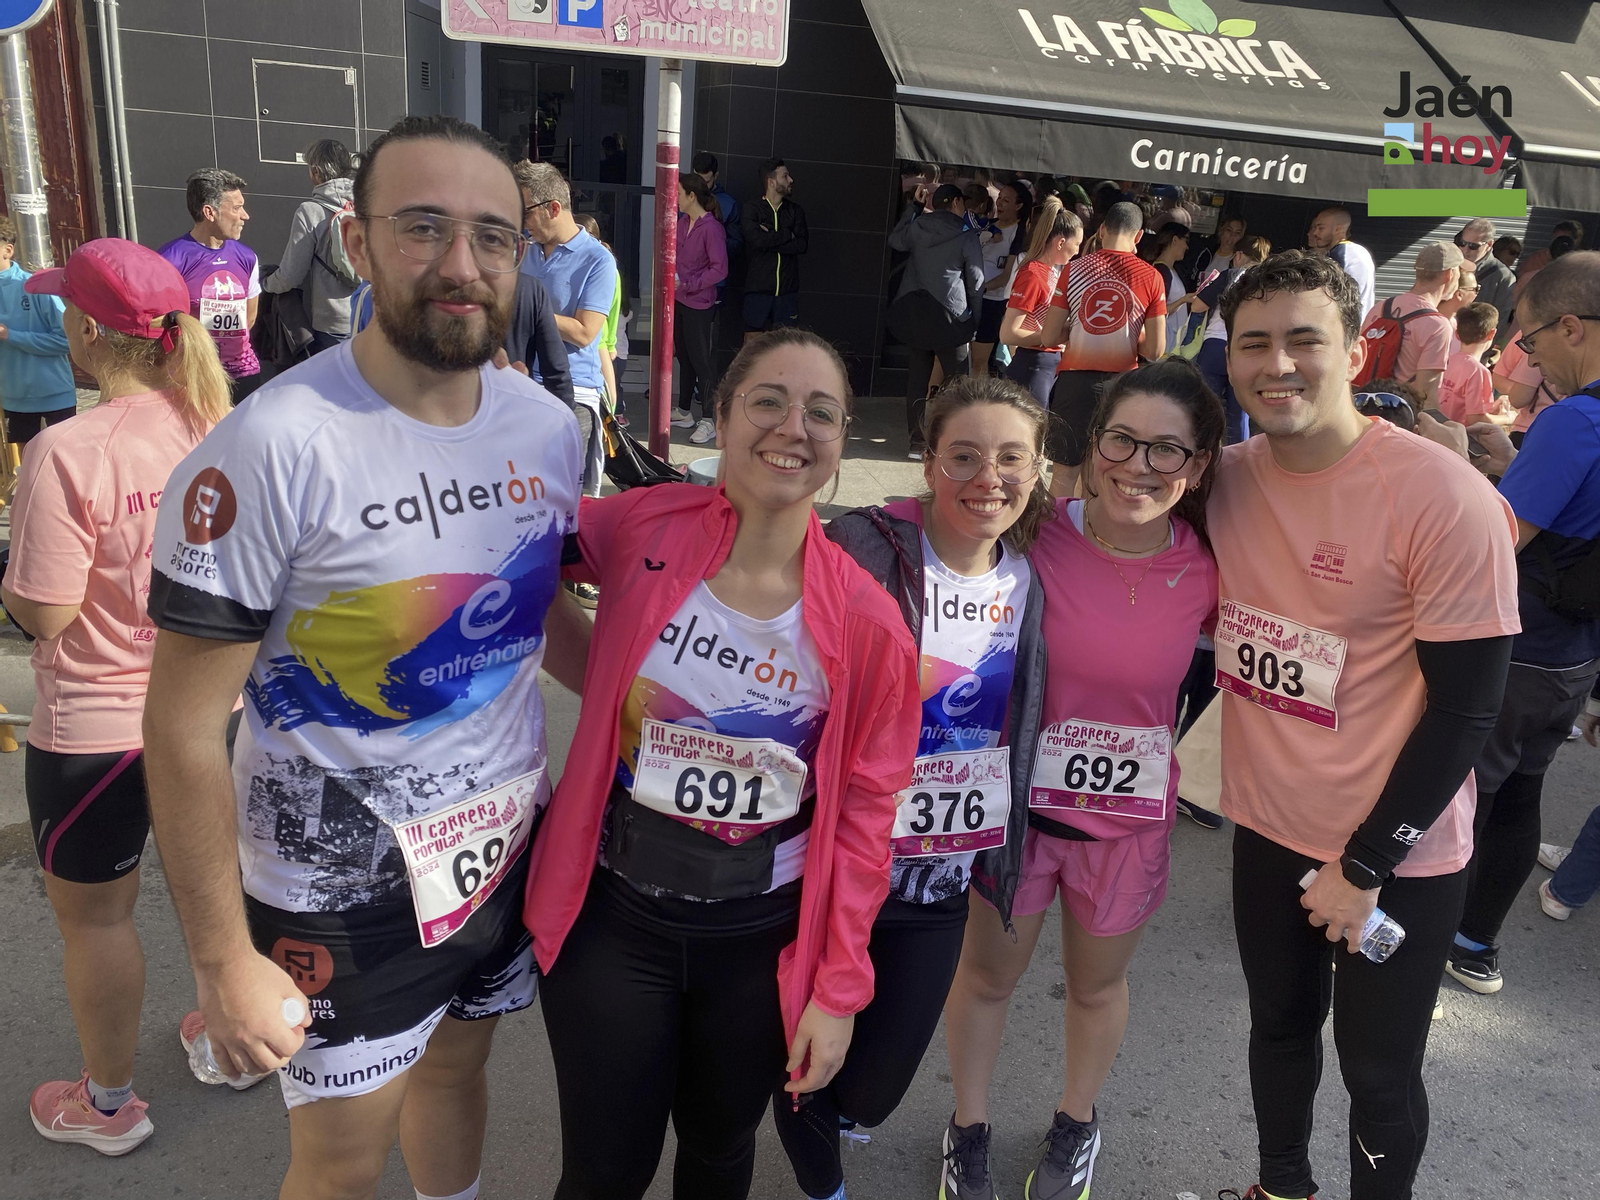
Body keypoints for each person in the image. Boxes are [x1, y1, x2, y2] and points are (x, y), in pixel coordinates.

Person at [139, 115, 590, 1200]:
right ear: (358, 238)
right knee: (339, 1163)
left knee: (457, 1069)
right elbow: (182, 727)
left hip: (496, 851)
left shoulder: (544, 425)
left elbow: (540, 622)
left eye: (491, 235)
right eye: (422, 226)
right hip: (334, 886)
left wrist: (687, 693)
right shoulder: (273, 441)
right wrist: (221, 963)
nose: (460, 263)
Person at [524, 328, 921, 1200]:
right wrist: (596, 679)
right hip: (613, 917)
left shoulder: (867, 622)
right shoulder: (645, 524)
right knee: (603, 1171)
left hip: (758, 937)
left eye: (822, 411)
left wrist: (840, 991)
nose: (793, 425)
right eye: (769, 400)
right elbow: (516, 550)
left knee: (717, 1151)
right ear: (729, 413)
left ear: (843, 438)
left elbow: (867, 818)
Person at [1209, 251, 1520, 1200]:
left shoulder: (1440, 496)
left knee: (1378, 1075)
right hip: (1266, 824)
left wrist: (1363, 867)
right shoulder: (1220, 479)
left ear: (1355, 351)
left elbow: (1468, 709)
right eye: (1255, 343)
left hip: (1397, 853)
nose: (1279, 364)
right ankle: (1281, 1188)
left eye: (1305, 339)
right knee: (1278, 1030)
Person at [938, 360, 1221, 1200]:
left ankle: (1076, 1121)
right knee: (987, 977)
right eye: (1123, 441)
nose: (1140, 465)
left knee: (1096, 987)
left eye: (1167, 452)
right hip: (1015, 818)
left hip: (1126, 830)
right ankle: (969, 1126)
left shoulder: (1208, 564)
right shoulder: (1028, 532)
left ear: (1198, 468)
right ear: (1092, 449)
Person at [774, 375, 1049, 1200]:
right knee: (808, 1068)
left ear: (1039, 472)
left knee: (874, 1089)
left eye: (1010, 458)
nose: (986, 477)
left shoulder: (1028, 578)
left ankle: (824, 1121)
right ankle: (822, 1184)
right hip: (834, 860)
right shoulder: (860, 547)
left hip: (939, 873)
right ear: (928, 462)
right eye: (962, 456)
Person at [12, 239, 230, 1157]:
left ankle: (105, 1106)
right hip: (216, 714)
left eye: (67, 308)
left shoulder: (64, 449)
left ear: (92, 334)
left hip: (94, 731)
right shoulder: (219, 426)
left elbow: (48, 612)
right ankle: (232, 1037)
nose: (59, 319)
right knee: (213, 891)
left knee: (98, 919)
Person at [1446, 252, 1600, 995]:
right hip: (1575, 659)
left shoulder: (1577, 419)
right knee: (1522, 793)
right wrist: (1514, 458)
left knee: (1457, 795)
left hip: (1519, 645)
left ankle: (1412, 935)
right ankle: (1476, 945)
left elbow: (1502, 538)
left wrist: (1452, 465)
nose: (1529, 360)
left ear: (1572, 326)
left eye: (1532, 343)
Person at [1036, 200, 1166, 497]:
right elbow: (1156, 351)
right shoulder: (1152, 277)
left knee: (1064, 474)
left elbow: (1048, 336)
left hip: (1074, 383)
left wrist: (1082, 328)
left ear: (1103, 229)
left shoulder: (1073, 269)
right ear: (1138, 236)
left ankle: (1056, 538)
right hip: (1121, 387)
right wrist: (1130, 333)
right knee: (1104, 472)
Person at [519, 160, 616, 498]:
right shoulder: (522, 251)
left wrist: (528, 308)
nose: (523, 222)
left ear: (553, 208)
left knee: (564, 503)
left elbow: (585, 332)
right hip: (519, 388)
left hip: (571, 396)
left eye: (526, 212)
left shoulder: (597, 260)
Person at [888, 183, 983, 458]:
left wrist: (914, 208)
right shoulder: (967, 235)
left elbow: (895, 240)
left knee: (917, 380)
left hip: (917, 312)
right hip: (951, 315)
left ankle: (917, 444)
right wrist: (974, 320)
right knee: (958, 384)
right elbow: (976, 282)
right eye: (962, 202)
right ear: (954, 202)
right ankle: (954, 444)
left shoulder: (917, 227)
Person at [157, 168, 262, 392]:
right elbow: (158, 323)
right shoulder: (170, 260)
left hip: (243, 375)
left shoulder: (247, 257)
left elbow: (249, 318)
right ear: (209, 212)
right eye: (237, 208)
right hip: (193, 378)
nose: (245, 216)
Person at [263, 139, 359, 354]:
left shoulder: (311, 211)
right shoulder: (367, 205)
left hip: (333, 324)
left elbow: (290, 276)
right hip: (368, 316)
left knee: (331, 385)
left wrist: (266, 284)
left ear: (316, 171)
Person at [0, 216, 77, 447]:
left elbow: (66, 342)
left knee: (65, 465)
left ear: (8, 250)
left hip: (55, 395)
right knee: (25, 472)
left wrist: (9, 335)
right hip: (13, 399)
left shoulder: (36, 286)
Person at [999, 198, 1081, 411]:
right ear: (1061, 243)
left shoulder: (1050, 272)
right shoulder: (1033, 274)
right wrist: (1055, 334)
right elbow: (1008, 334)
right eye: (1077, 244)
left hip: (1045, 363)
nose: (1077, 251)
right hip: (1034, 365)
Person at [1356, 241, 1460, 408]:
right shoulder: (1437, 325)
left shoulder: (1380, 308)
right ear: (1450, 274)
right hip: (1397, 414)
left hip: (1362, 406)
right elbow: (1426, 394)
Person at [1192, 234, 1270, 445]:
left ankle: (1202, 454)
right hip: (1249, 350)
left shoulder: (1230, 275)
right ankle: (1239, 462)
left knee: (1206, 408)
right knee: (1240, 414)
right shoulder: (1268, 283)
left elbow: (1197, 306)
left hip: (1216, 346)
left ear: (1238, 255)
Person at [672, 172, 729, 446]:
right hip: (681, 299)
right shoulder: (683, 223)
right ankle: (684, 410)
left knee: (701, 361)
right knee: (684, 356)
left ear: (691, 196)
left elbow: (720, 269)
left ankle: (710, 419)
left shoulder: (712, 228)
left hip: (699, 302)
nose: (676, 199)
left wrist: (690, 284)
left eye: (679, 194)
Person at [742, 159, 808, 341]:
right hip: (758, 288)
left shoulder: (795, 211)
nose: (791, 180)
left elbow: (801, 245)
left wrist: (770, 236)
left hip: (787, 292)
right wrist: (787, 234)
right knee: (752, 342)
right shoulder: (752, 209)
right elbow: (756, 241)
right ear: (771, 182)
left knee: (786, 343)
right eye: (785, 176)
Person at [972, 181, 1031, 379]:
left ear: (1019, 206)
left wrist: (980, 289)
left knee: (980, 359)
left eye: (1006, 200)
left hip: (993, 302)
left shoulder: (1019, 232)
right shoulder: (986, 226)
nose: (1000, 204)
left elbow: (1007, 276)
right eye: (999, 199)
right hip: (972, 297)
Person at [1306, 206, 1375, 321]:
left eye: (1321, 228)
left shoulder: (1340, 255)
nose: (1315, 233)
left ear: (1338, 230)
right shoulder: (1359, 251)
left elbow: (1330, 293)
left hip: (1345, 324)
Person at [1436, 302, 1499, 427]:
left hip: (1436, 430)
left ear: (1456, 334)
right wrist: (1508, 418)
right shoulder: (1478, 371)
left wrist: (1496, 405)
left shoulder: (1445, 361)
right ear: (1492, 334)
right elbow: (1476, 420)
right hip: (1459, 438)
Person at [1145, 222, 1194, 354]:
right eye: (1185, 240)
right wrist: (1183, 300)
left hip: (1172, 344)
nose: (1187, 247)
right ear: (1175, 240)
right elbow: (1157, 312)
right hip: (1166, 346)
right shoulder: (1162, 272)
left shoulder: (1172, 270)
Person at [1460, 219, 1514, 331]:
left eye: (1473, 246)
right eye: (1463, 243)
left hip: (1475, 341)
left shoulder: (1503, 277)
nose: (1465, 250)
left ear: (1489, 245)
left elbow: (1500, 319)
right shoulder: (1451, 264)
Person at [693, 150, 743, 260]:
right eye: (698, 180)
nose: (701, 186)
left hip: (714, 269)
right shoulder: (683, 197)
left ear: (716, 176)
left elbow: (736, 244)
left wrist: (713, 245)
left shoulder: (729, 204)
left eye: (706, 182)